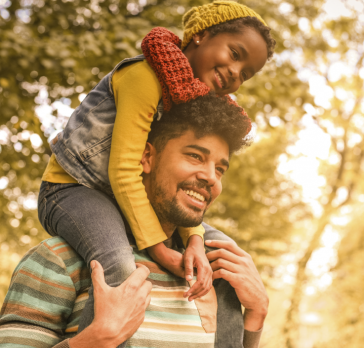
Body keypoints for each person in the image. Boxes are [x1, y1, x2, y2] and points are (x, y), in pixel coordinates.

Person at [38, 0, 276, 341]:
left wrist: (194, 238)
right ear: (201, 35)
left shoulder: (188, 97)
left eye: (247, 73)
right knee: (118, 264)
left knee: (223, 257)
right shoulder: (143, 77)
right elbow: (123, 169)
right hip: (74, 190)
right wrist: (161, 249)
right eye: (235, 54)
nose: (236, 73)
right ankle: (100, 336)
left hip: (125, 196)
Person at [0, 94, 268, 348]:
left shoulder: (213, 271)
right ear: (146, 157)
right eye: (195, 156)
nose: (211, 176)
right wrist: (95, 341)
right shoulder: (59, 261)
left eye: (220, 169)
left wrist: (256, 315)